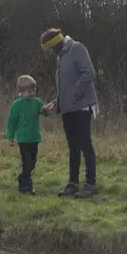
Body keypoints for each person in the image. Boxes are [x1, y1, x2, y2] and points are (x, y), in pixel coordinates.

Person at [38, 28, 98, 198]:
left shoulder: (76, 48)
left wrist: (73, 95)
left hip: (82, 106)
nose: (50, 53)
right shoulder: (61, 56)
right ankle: (73, 183)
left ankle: (90, 183)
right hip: (68, 108)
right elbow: (65, 86)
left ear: (56, 43)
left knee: (84, 143)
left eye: (50, 49)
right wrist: (55, 103)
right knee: (73, 146)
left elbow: (89, 74)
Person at [5, 74, 46, 194]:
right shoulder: (17, 105)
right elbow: (11, 122)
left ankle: (23, 178)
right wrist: (10, 138)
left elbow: (46, 113)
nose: (32, 93)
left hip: (34, 138)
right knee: (27, 162)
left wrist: (47, 109)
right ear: (21, 92)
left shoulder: (37, 102)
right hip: (23, 139)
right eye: (29, 91)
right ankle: (26, 187)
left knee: (33, 162)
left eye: (34, 90)